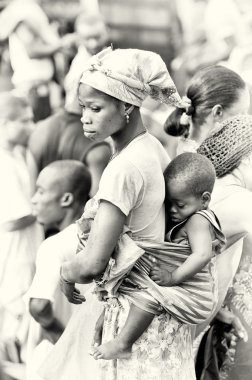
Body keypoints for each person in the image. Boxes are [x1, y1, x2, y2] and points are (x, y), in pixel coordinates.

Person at [39, 47, 197, 380]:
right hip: (150, 312)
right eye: (83, 107)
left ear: (126, 106)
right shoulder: (151, 146)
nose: (85, 117)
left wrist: (66, 273)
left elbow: (94, 263)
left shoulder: (124, 168)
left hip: (137, 320)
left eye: (95, 108)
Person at [91, 152, 225, 360]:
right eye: (168, 203)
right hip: (186, 287)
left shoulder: (199, 220)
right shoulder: (189, 215)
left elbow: (202, 255)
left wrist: (173, 278)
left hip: (195, 293)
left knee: (149, 296)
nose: (172, 210)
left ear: (205, 199)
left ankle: (123, 343)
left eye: (180, 205)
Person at [164, 67, 252, 378]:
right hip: (184, 308)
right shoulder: (225, 189)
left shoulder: (196, 165)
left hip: (195, 306)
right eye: (241, 115)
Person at [25, 160, 91, 380]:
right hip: (90, 359)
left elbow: (39, 305)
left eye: (41, 191)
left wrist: (61, 338)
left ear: (66, 199)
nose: (34, 199)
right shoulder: (100, 241)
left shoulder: (54, 246)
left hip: (56, 361)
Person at [0, 91, 43, 378]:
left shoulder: (18, 155)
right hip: (15, 253)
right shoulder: (4, 162)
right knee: (13, 323)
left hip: (27, 249)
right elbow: (12, 221)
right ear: (5, 123)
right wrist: (48, 209)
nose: (31, 126)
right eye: (24, 121)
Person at [0, 0, 76, 121]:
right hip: (33, 87)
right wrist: (61, 44)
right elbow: (32, 51)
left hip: (39, 87)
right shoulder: (23, 11)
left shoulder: (30, 9)